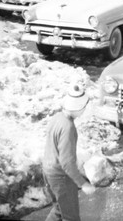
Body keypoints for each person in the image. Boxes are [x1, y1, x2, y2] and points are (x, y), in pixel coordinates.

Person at [43, 83, 95, 221]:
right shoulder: (68, 127)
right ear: (79, 107)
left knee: (59, 210)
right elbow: (66, 162)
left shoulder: (57, 117)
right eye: (84, 108)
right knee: (70, 217)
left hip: (48, 171)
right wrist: (82, 183)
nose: (84, 111)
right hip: (61, 177)